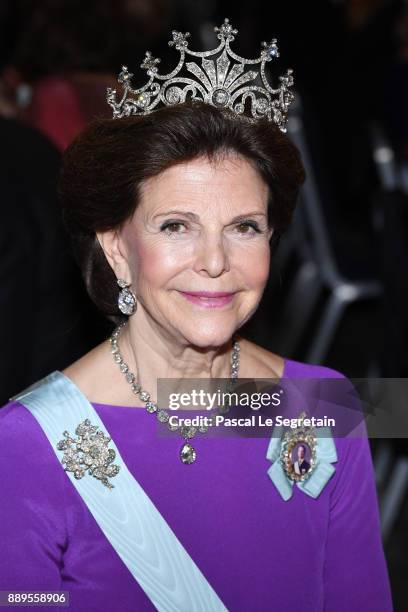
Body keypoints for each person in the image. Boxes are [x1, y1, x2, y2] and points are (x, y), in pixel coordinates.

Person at [0, 21, 393, 612]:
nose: (216, 263)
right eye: (175, 226)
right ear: (116, 248)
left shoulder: (326, 405)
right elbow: (23, 600)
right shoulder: (29, 440)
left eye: (244, 228)